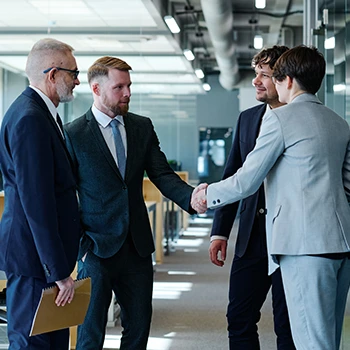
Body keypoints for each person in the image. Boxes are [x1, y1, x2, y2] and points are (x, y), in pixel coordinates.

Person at [193, 45, 350, 350]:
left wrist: (206, 195)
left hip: (302, 247)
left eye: (274, 77)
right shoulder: (339, 123)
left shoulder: (281, 119)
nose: (269, 82)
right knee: (327, 339)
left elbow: (246, 181)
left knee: (308, 342)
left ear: (288, 80)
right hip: (340, 244)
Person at [64, 56, 206, 350]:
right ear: (96, 89)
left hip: (138, 247)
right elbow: (65, 195)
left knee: (138, 331)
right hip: (96, 249)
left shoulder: (141, 127)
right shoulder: (73, 134)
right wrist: (80, 245)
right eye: (119, 87)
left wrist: (191, 197)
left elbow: (162, 174)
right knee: (90, 335)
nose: (128, 93)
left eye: (129, 85)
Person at [209, 45, 295, 349]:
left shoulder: (303, 119)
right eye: (256, 74)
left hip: (291, 240)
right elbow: (232, 174)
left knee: (288, 327)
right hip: (251, 239)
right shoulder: (248, 119)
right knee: (239, 318)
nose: (256, 81)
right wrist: (219, 231)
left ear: (286, 79)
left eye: (265, 75)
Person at [0, 38, 81, 349]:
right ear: (52, 74)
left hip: (42, 259)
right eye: (73, 73)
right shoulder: (30, 118)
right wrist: (59, 271)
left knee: (53, 340)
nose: (76, 80)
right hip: (33, 260)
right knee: (33, 343)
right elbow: (38, 203)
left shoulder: (41, 113)